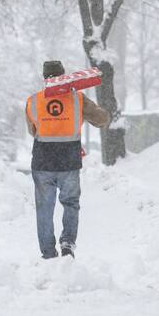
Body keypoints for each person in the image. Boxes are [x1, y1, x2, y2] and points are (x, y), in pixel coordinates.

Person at [24, 60, 110, 259]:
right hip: (68, 161)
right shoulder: (78, 98)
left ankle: (48, 252)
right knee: (70, 203)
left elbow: (33, 130)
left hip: (43, 160)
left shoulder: (33, 101)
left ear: (45, 78)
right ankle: (68, 242)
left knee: (44, 207)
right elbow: (102, 120)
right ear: (64, 75)